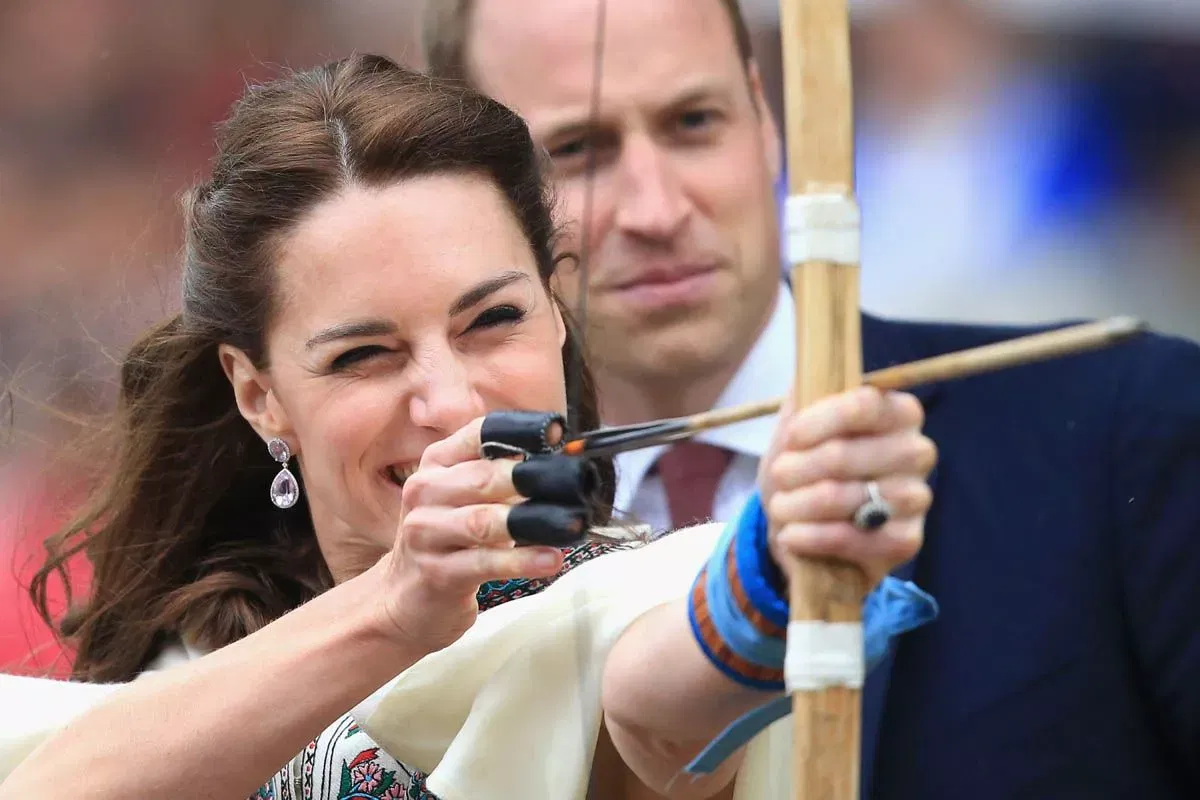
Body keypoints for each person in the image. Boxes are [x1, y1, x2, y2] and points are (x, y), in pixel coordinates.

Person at [0, 54, 938, 799]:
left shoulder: (624, 598)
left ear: (557, 307)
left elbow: (660, 704)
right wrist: (395, 607)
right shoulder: (205, 654)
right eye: (364, 355)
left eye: (493, 320)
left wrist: (774, 558)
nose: (449, 403)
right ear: (258, 395)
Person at [420, 0, 1200, 797]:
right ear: (472, 195)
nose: (656, 211)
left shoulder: (1120, 425)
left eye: (694, 121)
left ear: (766, 120)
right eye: (579, 149)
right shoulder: (444, 548)